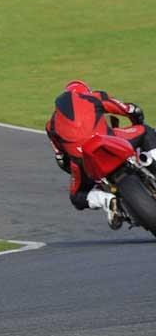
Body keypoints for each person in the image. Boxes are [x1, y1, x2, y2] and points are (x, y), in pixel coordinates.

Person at [45, 80, 155, 229]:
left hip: (82, 160)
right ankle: (150, 160)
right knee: (145, 131)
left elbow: (61, 159)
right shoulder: (94, 97)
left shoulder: (51, 125)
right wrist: (136, 121)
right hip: (106, 141)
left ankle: (106, 200)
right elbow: (131, 110)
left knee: (77, 197)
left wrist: (83, 173)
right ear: (86, 91)